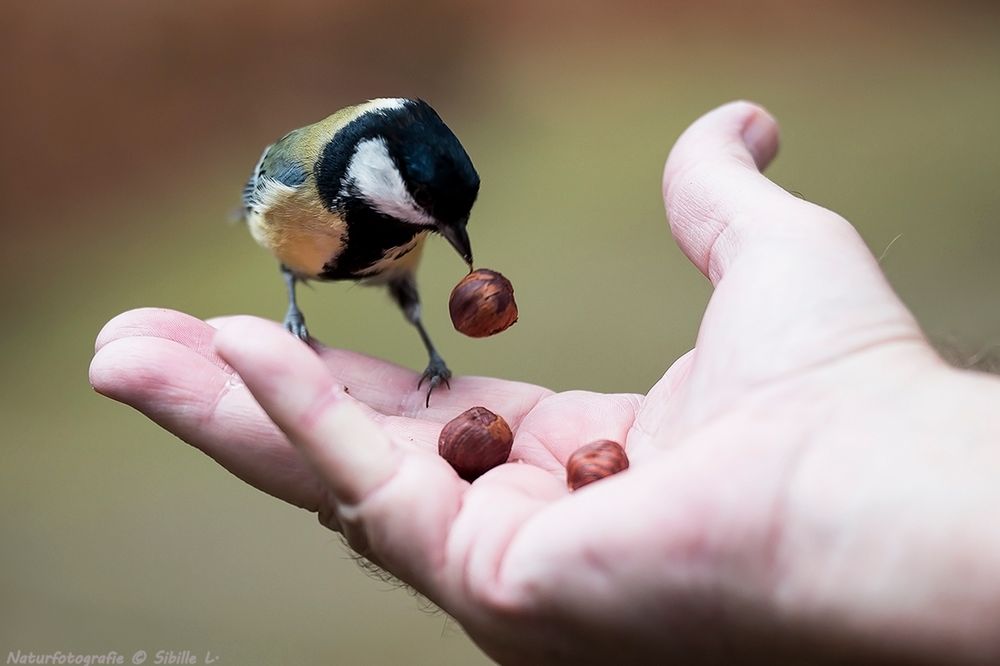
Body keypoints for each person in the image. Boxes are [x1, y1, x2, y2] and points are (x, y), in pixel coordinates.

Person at [89, 102, 1000, 664]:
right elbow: (274, 207)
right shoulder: (304, 174)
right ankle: (296, 309)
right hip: (307, 259)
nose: (449, 233)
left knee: (404, 292)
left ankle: (424, 347)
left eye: (452, 219)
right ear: (374, 171)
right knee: (298, 293)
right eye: (435, 213)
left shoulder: (405, 201)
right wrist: (296, 311)